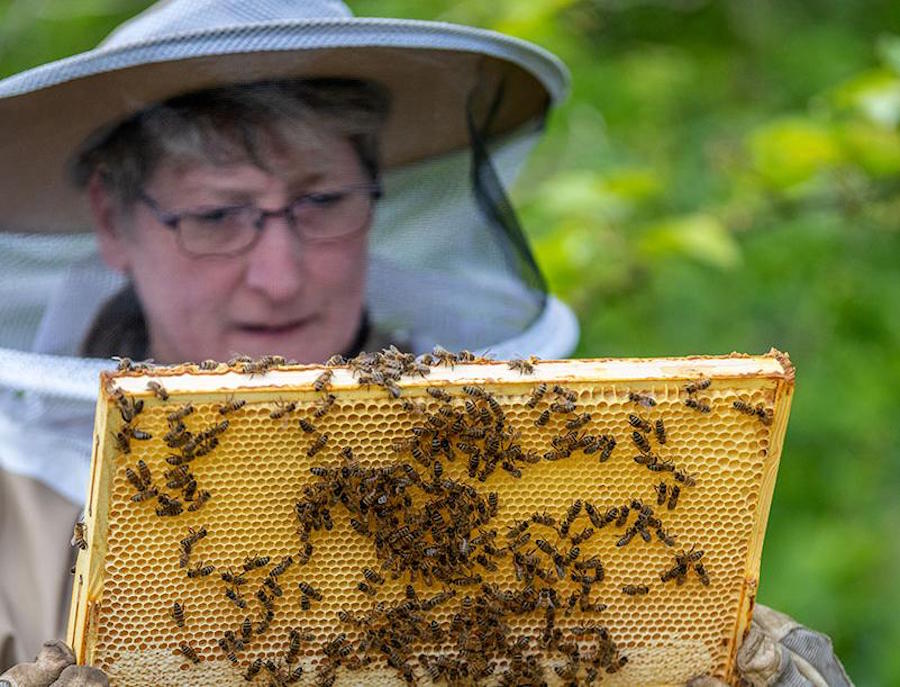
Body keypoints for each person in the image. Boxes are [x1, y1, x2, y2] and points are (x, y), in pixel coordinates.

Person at [0, 1, 852, 686]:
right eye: (219, 215)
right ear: (114, 218)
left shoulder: (517, 450)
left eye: (323, 201)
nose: (281, 275)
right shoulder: (14, 508)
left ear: (375, 196)